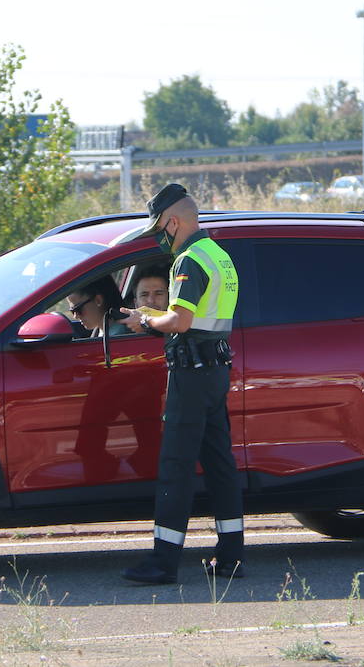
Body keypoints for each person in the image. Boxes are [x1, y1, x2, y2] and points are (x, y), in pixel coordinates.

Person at [117, 183, 243, 585]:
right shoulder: (220, 257)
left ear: (173, 221)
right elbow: (205, 316)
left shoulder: (188, 259)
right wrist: (160, 314)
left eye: (159, 228)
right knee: (221, 463)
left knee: (176, 465)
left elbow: (181, 321)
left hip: (190, 374)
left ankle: (163, 561)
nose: (159, 236)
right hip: (215, 371)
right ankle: (231, 556)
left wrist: (145, 319)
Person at [65, 275, 131, 339]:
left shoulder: (118, 337)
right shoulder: (101, 331)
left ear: (98, 300)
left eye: (78, 309)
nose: (75, 316)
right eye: (72, 311)